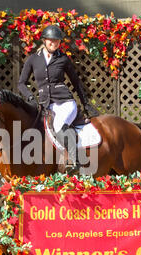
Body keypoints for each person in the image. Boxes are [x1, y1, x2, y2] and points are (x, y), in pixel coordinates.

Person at [18, 24, 99, 174]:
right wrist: (30, 97)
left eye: (57, 41)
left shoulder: (63, 59)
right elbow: (21, 83)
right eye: (51, 40)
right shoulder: (33, 59)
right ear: (44, 40)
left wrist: (86, 104)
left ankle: (75, 161)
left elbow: (76, 82)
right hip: (46, 106)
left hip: (65, 103)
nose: (54, 43)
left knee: (60, 125)